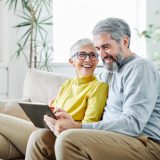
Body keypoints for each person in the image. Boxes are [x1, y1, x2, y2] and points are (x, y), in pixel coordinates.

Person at [25, 17, 160, 160]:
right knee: (40, 138)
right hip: (112, 137)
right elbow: (83, 84)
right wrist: (60, 109)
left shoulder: (141, 67)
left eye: (106, 47)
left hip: (144, 142)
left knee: (69, 139)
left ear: (124, 42)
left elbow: (133, 124)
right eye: (98, 48)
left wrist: (77, 127)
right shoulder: (110, 71)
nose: (101, 55)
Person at [0, 38, 108, 159]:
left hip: (58, 135)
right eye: (82, 55)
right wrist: (50, 108)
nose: (88, 59)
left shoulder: (99, 87)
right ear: (71, 61)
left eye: (93, 55)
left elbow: (89, 125)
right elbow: (54, 111)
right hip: (45, 128)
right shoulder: (68, 84)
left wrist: (68, 122)